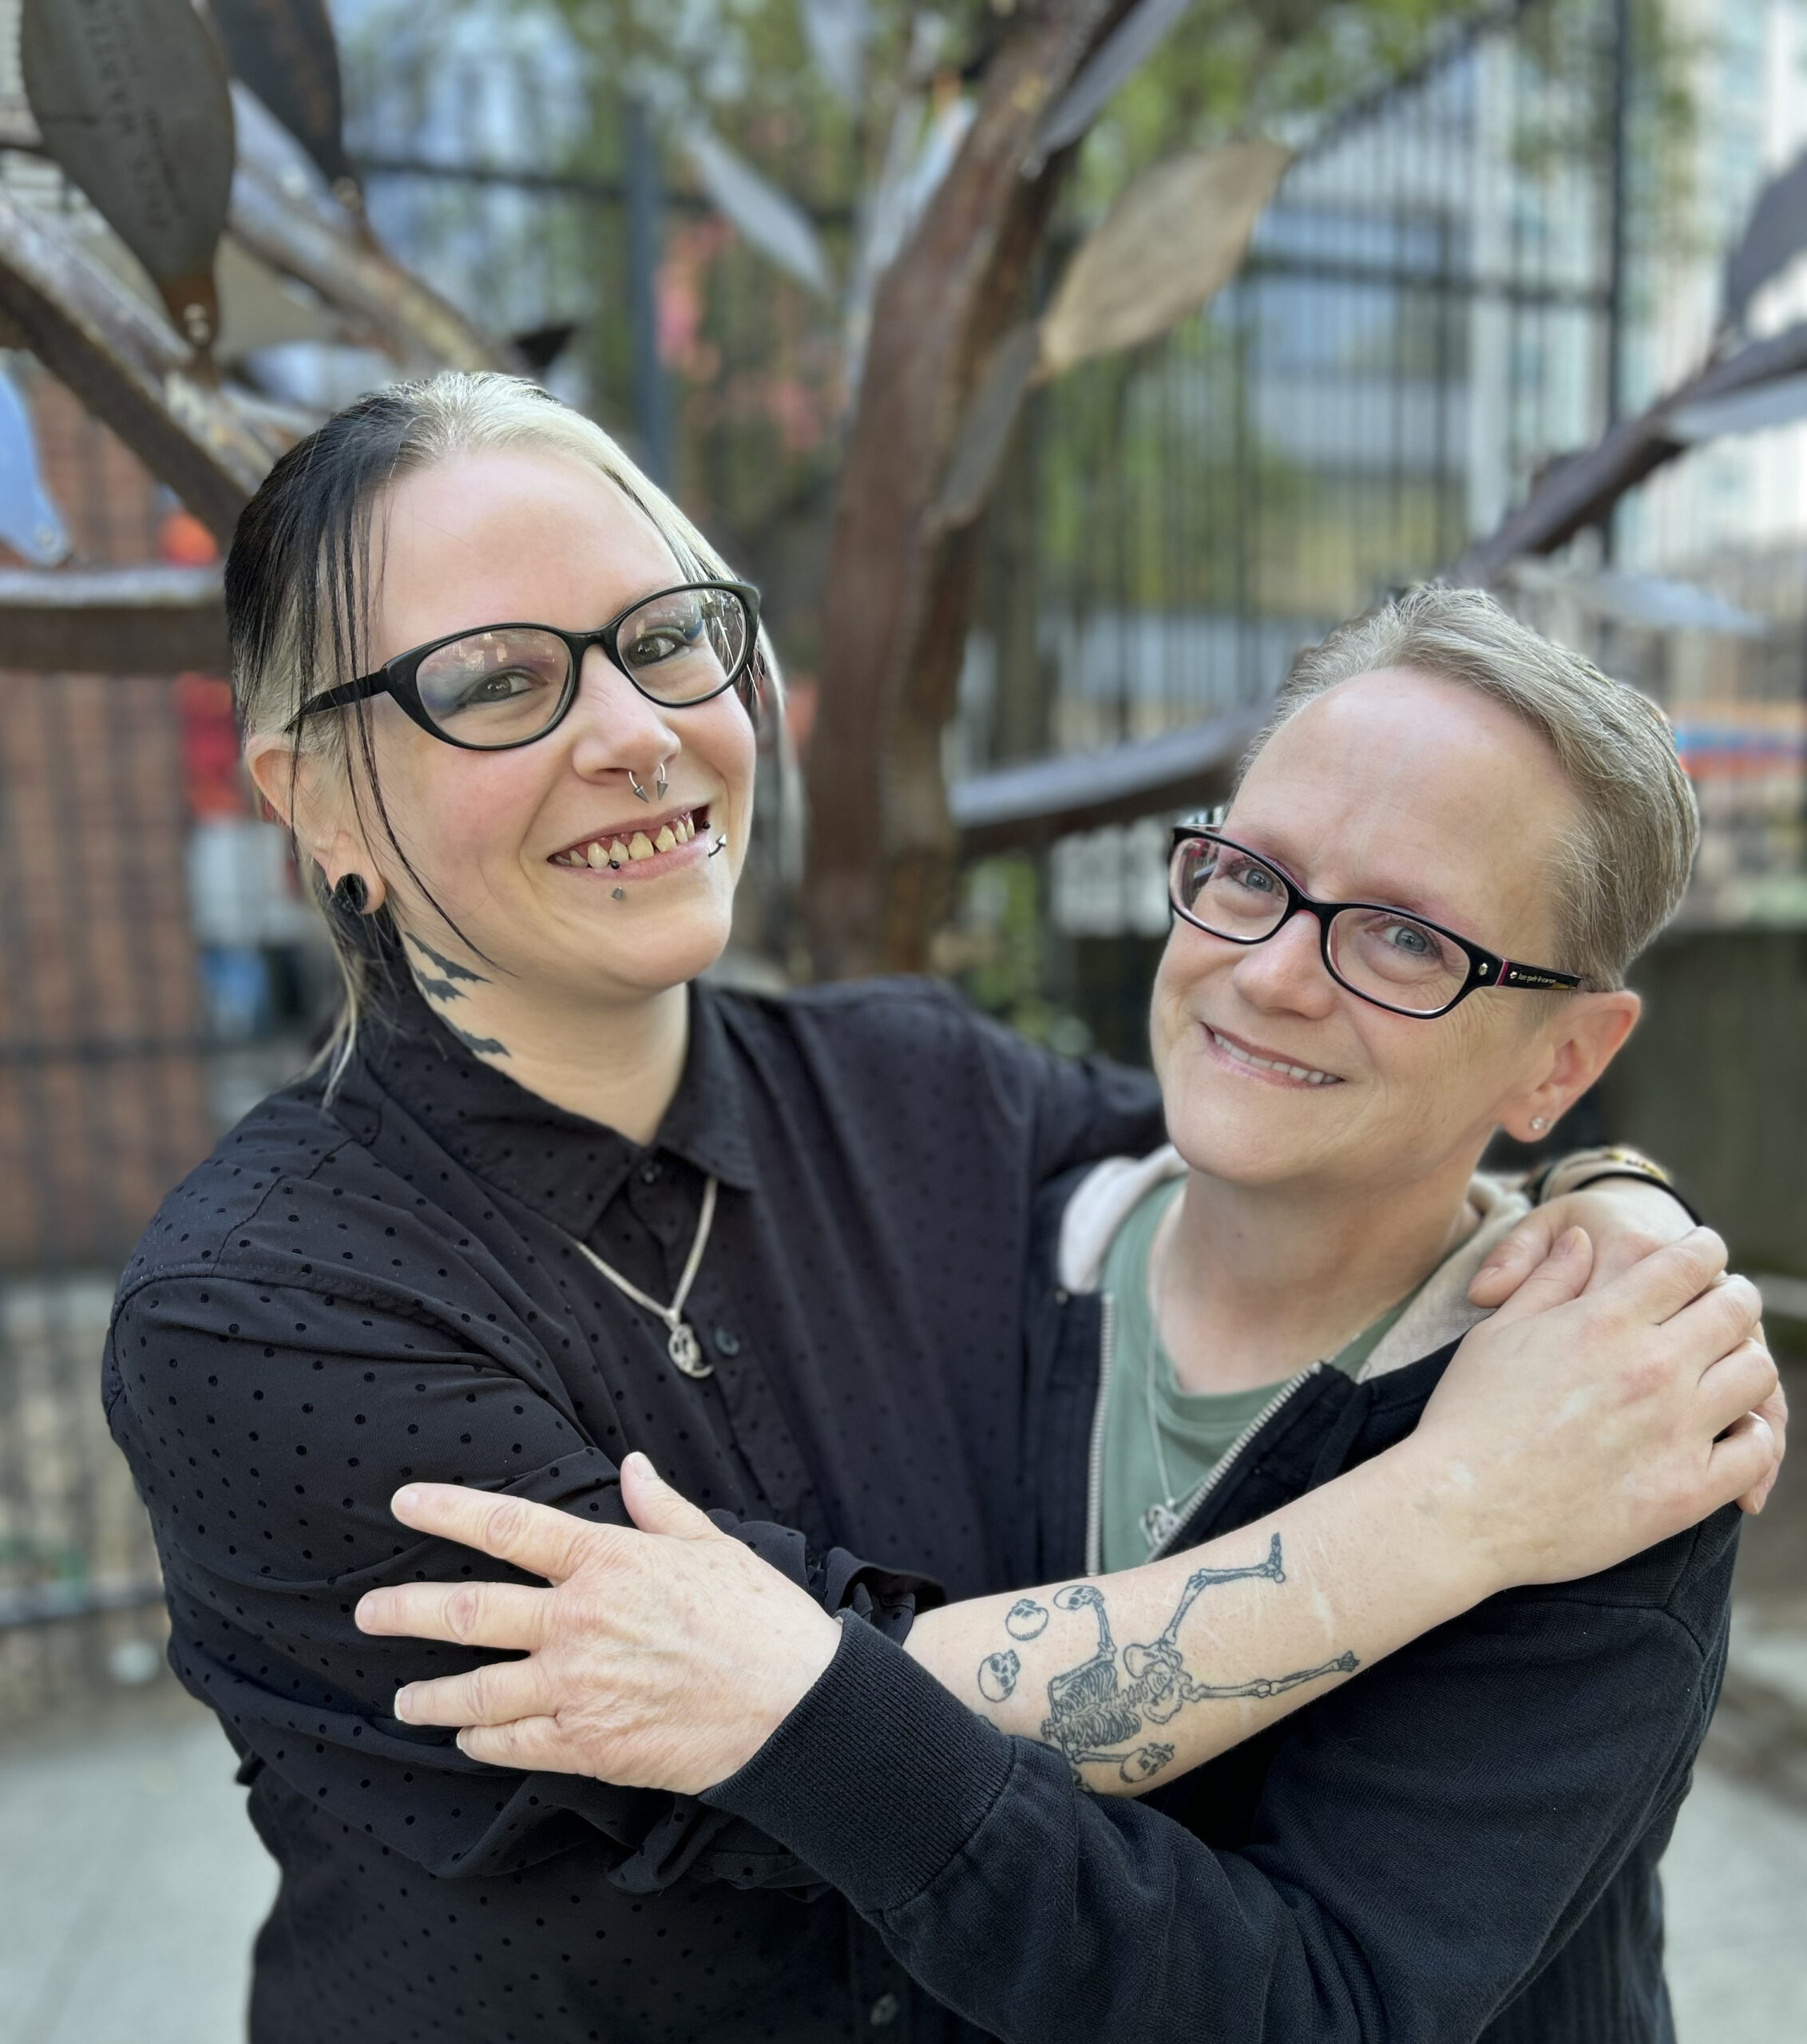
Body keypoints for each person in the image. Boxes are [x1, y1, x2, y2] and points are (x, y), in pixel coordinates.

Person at [100, 373, 1773, 2044]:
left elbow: (1315, 1140)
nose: (635, 730)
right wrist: (1464, 1503)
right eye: (497, 680)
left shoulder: (923, 1095)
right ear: (319, 801)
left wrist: (1613, 1217)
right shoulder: (263, 1314)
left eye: (665, 639)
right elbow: (758, 1743)